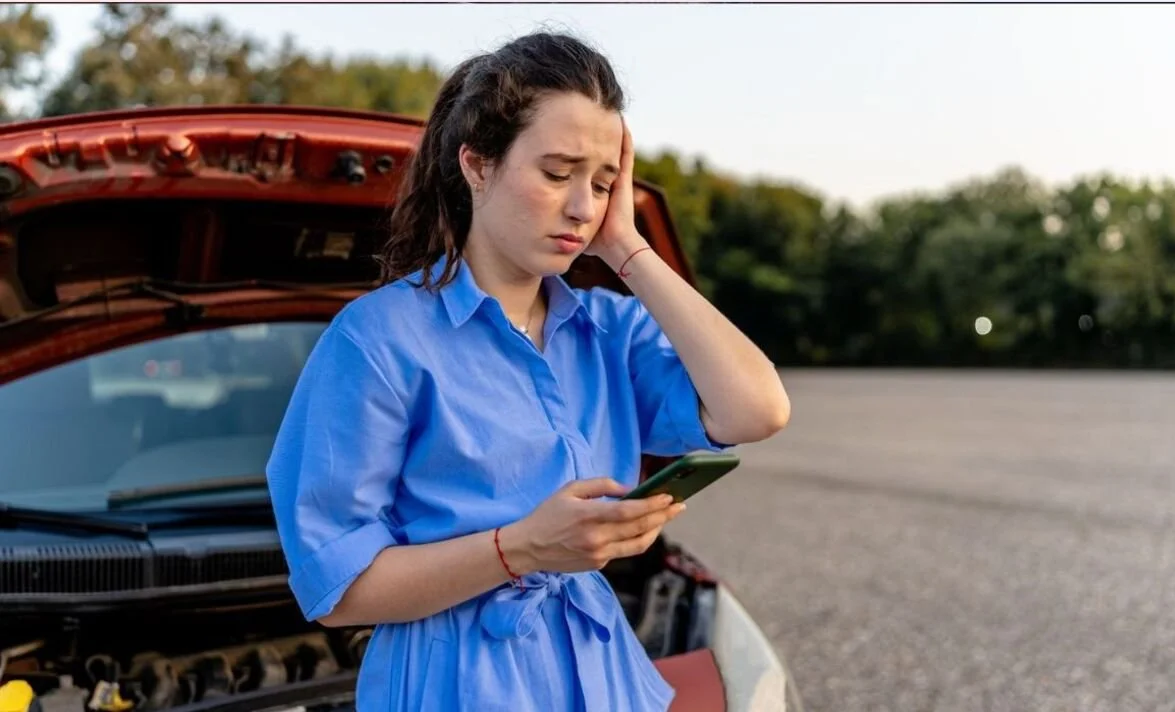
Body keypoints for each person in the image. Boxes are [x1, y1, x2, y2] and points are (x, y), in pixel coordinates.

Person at [265, 30, 791, 712]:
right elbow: (339, 592)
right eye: (556, 172)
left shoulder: (610, 327)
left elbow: (758, 410)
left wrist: (628, 246)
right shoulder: (377, 340)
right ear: (478, 165)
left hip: (599, 671)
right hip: (450, 682)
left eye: (602, 183)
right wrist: (524, 549)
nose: (582, 207)